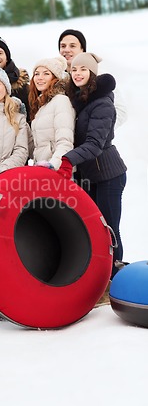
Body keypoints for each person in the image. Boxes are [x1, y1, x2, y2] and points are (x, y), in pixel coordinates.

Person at [58, 52, 127, 279]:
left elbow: (95, 144)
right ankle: (99, 275)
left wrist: (68, 159)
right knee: (93, 229)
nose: (77, 73)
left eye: (83, 70)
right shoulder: (80, 99)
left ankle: (114, 278)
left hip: (108, 174)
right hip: (90, 174)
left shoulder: (102, 103)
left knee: (109, 229)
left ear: (92, 74)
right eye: (74, 70)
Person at [58, 29, 127, 129]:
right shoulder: (57, 78)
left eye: (72, 46)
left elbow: (121, 110)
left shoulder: (99, 76)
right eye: (63, 46)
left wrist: (98, 131)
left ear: (82, 50)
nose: (67, 50)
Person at [28, 56, 75, 170]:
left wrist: (53, 165)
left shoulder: (61, 101)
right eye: (37, 74)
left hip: (56, 171)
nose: (40, 78)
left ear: (55, 78)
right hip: (41, 170)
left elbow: (65, 142)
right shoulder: (41, 105)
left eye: (46, 74)